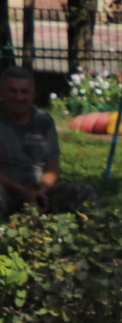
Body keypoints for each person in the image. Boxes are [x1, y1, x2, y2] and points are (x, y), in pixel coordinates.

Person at [0, 65, 90, 216]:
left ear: (33, 95)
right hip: (7, 188)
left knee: (83, 193)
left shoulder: (43, 121)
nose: (19, 97)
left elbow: (52, 169)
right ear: (2, 92)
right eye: (13, 91)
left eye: (24, 92)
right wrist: (23, 192)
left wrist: (39, 193)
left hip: (39, 189)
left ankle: (89, 235)